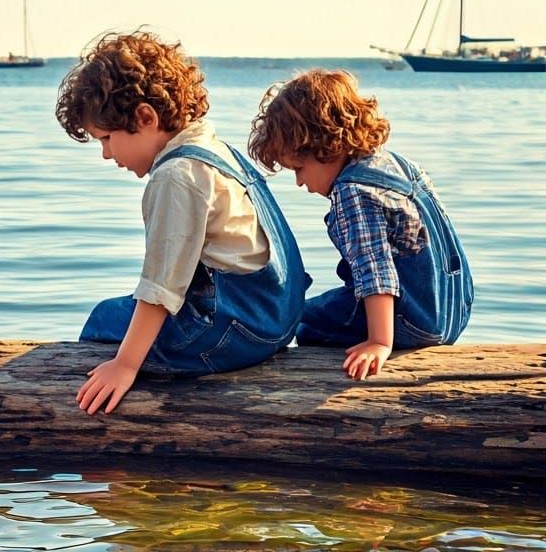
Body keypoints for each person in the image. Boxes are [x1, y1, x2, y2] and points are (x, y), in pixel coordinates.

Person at [55, 29, 308, 415]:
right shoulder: (218, 152)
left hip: (234, 333)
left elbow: (161, 286)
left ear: (145, 117)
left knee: (105, 317)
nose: (106, 154)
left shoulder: (176, 175)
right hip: (277, 320)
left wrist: (125, 365)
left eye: (106, 138)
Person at [247, 69, 472, 380]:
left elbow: (375, 271)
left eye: (299, 168)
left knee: (303, 321)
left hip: (411, 320)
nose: (299, 182)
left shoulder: (352, 192)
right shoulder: (395, 164)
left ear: (325, 146)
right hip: (451, 310)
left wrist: (380, 342)